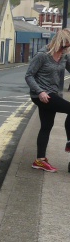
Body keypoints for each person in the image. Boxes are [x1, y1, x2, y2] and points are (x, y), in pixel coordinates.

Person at [25, 28, 70, 172]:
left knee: (46, 126)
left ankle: (40, 160)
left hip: (53, 94)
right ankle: (69, 141)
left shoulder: (64, 56)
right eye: (67, 44)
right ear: (61, 41)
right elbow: (29, 75)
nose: (68, 47)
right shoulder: (42, 55)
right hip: (42, 95)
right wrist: (40, 92)